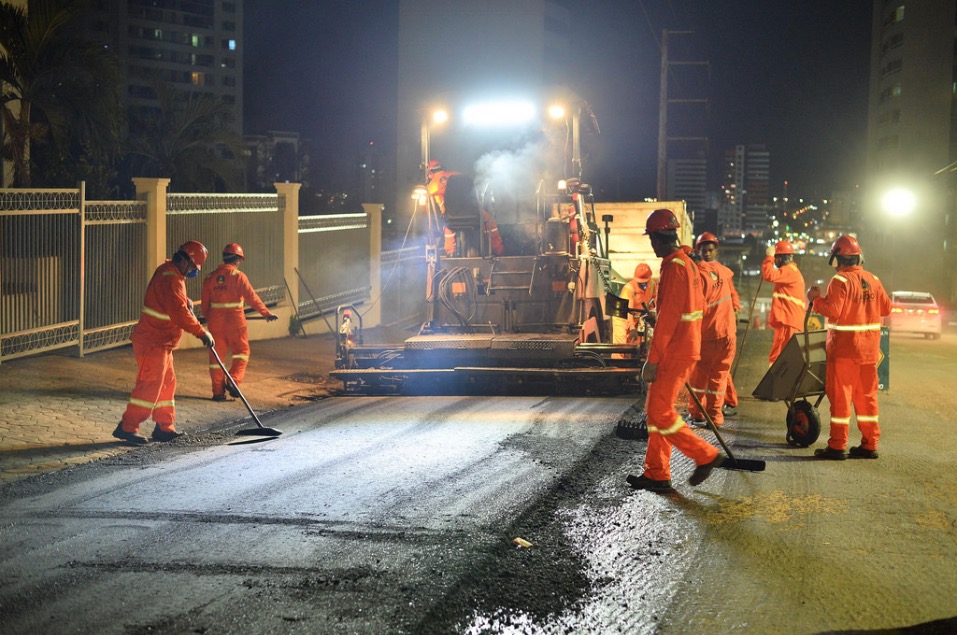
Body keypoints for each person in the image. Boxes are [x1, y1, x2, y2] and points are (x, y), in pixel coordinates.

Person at [626, 209, 724, 492]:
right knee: (656, 411)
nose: (652, 247)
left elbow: (668, 321)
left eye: (652, 241)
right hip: (686, 345)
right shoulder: (689, 264)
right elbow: (691, 309)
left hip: (675, 350)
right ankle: (657, 472)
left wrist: (652, 360)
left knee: (660, 410)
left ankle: (705, 455)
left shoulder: (673, 267)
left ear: (659, 238)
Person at [114, 241, 215, 444]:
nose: (194, 272)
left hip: (162, 341)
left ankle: (164, 427)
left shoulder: (173, 274)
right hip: (153, 341)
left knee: (167, 384)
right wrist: (201, 332)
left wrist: (187, 304)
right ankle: (128, 427)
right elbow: (178, 313)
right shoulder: (171, 278)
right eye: (194, 268)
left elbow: (176, 303)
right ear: (186, 261)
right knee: (150, 385)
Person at [807, 235, 891, 460]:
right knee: (867, 397)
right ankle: (870, 444)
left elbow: (833, 310)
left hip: (844, 350)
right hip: (870, 351)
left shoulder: (840, 281)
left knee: (841, 398)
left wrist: (815, 300)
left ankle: (837, 446)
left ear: (838, 259)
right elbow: (886, 308)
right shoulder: (874, 279)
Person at [201, 243, 279, 401]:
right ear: (237, 259)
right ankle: (233, 381)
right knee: (242, 353)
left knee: (216, 359)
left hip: (215, 323)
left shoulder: (210, 278)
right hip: (236, 322)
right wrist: (266, 313)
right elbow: (252, 298)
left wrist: (210, 319)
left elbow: (204, 305)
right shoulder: (238, 277)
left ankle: (218, 393)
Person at [687, 232, 741, 427]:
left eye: (709, 250)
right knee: (719, 377)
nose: (707, 253)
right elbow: (733, 296)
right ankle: (715, 418)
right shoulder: (724, 272)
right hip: (728, 334)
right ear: (699, 251)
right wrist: (734, 308)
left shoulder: (698, 274)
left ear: (715, 251)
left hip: (709, 335)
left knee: (699, 375)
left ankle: (697, 413)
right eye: (704, 250)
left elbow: (695, 307)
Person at [427, 163, 503, 257]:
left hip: (451, 216)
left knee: (448, 227)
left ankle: (451, 253)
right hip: (473, 213)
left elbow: (431, 193)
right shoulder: (457, 174)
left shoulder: (433, 185)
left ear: (430, 173)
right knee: (488, 220)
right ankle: (498, 251)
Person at [761, 239, 806, 365]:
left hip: (787, 321)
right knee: (785, 357)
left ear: (782, 257)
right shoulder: (792, 271)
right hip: (790, 321)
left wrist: (769, 257)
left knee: (778, 358)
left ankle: (774, 382)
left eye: (776, 258)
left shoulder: (789, 270)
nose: (775, 261)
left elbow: (769, 275)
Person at [612, 262, 657, 358]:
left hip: (637, 316)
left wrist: (651, 317)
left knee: (635, 344)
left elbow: (654, 303)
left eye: (645, 282)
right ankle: (616, 368)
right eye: (640, 283)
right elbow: (628, 310)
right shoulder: (629, 288)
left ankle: (631, 367)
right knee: (620, 347)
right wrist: (632, 328)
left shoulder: (653, 285)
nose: (643, 284)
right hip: (622, 316)